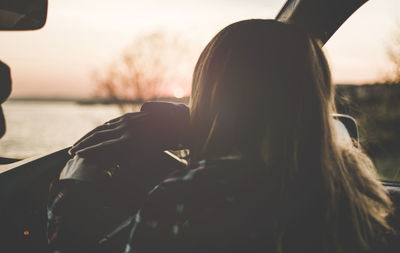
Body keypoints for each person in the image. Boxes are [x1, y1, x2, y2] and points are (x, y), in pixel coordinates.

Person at [47, 19, 394, 253]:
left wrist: (74, 192)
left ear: (212, 93)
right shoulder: (351, 189)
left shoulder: (193, 195)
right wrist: (196, 127)